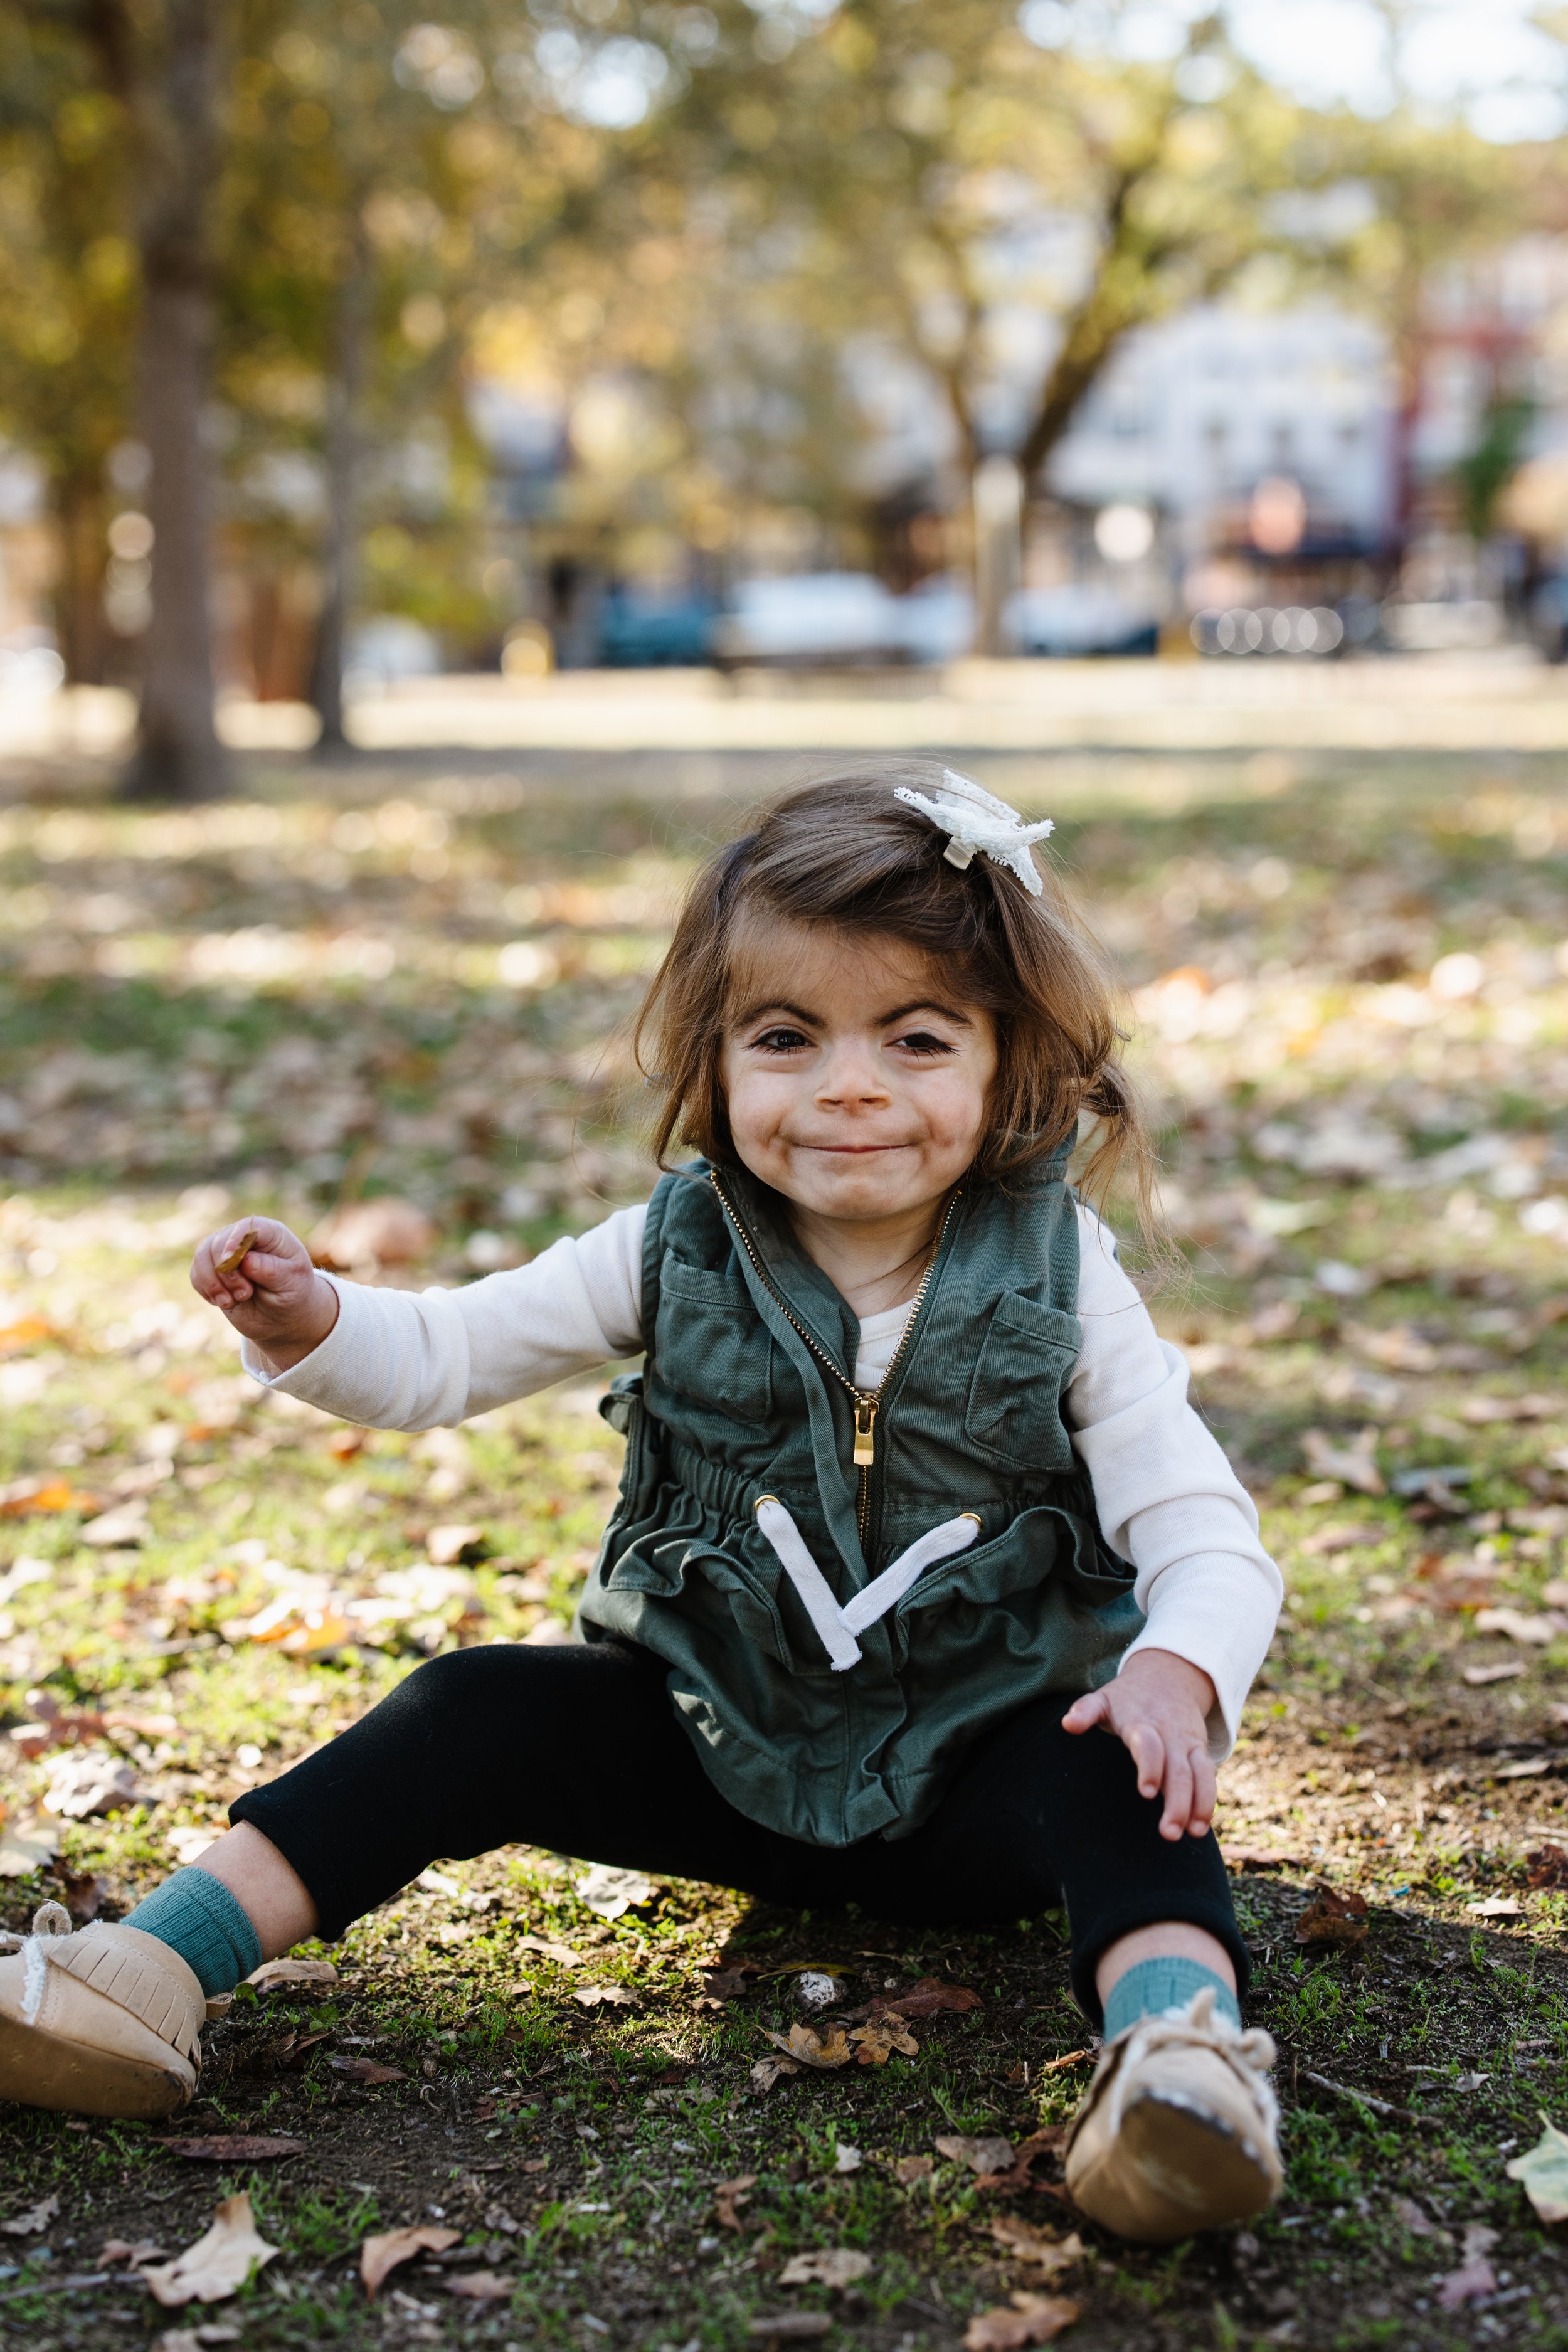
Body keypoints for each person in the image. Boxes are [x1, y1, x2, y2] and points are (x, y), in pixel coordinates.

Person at [0, 766, 1283, 2243]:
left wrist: (1175, 1673)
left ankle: (1178, 2072)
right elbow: (450, 1352)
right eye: (786, 1038)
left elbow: (1202, 1530)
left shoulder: (1060, 1278)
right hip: (712, 1747)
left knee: (1121, 1774)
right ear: (715, 1056)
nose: (847, 1085)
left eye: (915, 1038)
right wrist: (313, 1322)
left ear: (1006, 1065)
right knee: (469, 1709)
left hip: (975, 1791)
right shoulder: (673, 1244)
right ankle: (143, 1978)